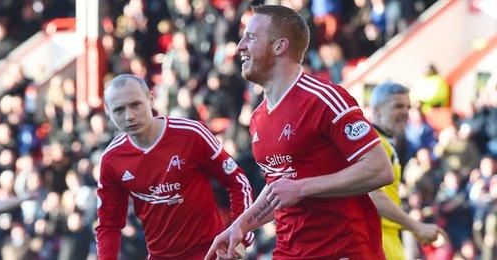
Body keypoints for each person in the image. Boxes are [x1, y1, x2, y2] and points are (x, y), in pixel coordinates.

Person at [205, 5, 394, 259]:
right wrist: (241, 224)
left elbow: (379, 169)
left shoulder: (324, 99)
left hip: (345, 250)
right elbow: (280, 186)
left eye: (250, 37)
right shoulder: (258, 117)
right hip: (289, 251)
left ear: (279, 46)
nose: (240, 46)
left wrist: (302, 188)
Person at [95, 74, 254, 259]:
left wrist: (241, 239)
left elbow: (237, 181)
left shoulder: (192, 134)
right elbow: (108, 225)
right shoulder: (111, 159)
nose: (129, 116)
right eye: (119, 110)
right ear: (108, 111)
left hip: (210, 253)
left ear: (150, 98)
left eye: (135, 105)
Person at [368, 82, 445, 259]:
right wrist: (416, 226)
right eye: (398, 106)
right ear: (377, 109)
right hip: (379, 239)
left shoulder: (385, 142)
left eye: (408, 107)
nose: (406, 112)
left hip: (387, 237)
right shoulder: (375, 144)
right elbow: (374, 195)